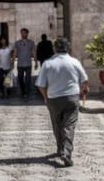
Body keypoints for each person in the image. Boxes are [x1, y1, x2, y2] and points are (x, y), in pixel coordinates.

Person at [36, 37, 89, 167]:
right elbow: (85, 81)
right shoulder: (74, 62)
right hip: (71, 98)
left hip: (54, 99)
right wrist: (84, 89)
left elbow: (41, 85)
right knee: (69, 126)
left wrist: (46, 97)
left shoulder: (47, 63)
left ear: (55, 49)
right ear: (68, 48)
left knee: (57, 125)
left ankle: (60, 149)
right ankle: (66, 152)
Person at [12, 28, 36, 100]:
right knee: (20, 79)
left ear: (27, 33)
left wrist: (36, 61)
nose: (23, 34)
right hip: (20, 64)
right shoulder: (17, 43)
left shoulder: (31, 42)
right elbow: (15, 53)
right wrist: (12, 62)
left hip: (28, 64)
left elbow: (34, 52)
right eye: (21, 33)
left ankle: (26, 92)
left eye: (24, 33)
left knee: (28, 80)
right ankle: (23, 91)